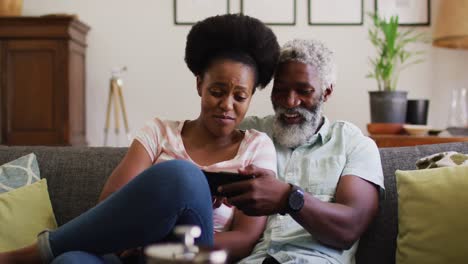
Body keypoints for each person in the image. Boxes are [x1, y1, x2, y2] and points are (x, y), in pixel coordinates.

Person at [0, 14, 280, 264]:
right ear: (199, 85)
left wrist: (154, 248)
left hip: (191, 257)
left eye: (240, 96)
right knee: (71, 260)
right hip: (128, 254)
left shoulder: (257, 147)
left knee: (184, 176)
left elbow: (244, 240)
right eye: (217, 91)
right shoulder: (159, 131)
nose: (227, 104)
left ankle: (30, 255)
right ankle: (49, 253)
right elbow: (110, 202)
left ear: (251, 97)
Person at [219, 39, 385, 264]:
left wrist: (289, 198)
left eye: (303, 91)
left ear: (326, 92)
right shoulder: (248, 133)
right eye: (280, 91)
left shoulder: (353, 144)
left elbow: (350, 227)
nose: (289, 102)